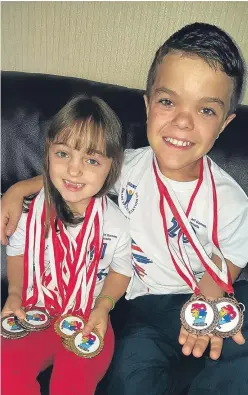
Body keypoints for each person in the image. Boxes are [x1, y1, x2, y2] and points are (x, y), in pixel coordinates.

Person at [1, 22, 248, 395]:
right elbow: (79, 179)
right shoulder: (126, 166)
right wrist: (21, 187)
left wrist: (213, 286)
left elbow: (234, 251)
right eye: (168, 101)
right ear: (148, 106)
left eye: (206, 110)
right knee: (127, 379)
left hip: (202, 294)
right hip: (141, 306)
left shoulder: (230, 199)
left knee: (238, 357)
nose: (182, 121)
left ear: (226, 123)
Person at [1, 95, 132, 395]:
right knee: (6, 369)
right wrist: (14, 293)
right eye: (63, 154)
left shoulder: (116, 223)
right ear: (47, 154)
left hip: (89, 318)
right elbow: (16, 253)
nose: (74, 171)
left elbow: (121, 271)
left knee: (72, 384)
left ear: (111, 169)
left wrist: (103, 307)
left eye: (91, 160)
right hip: (36, 311)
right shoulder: (29, 213)